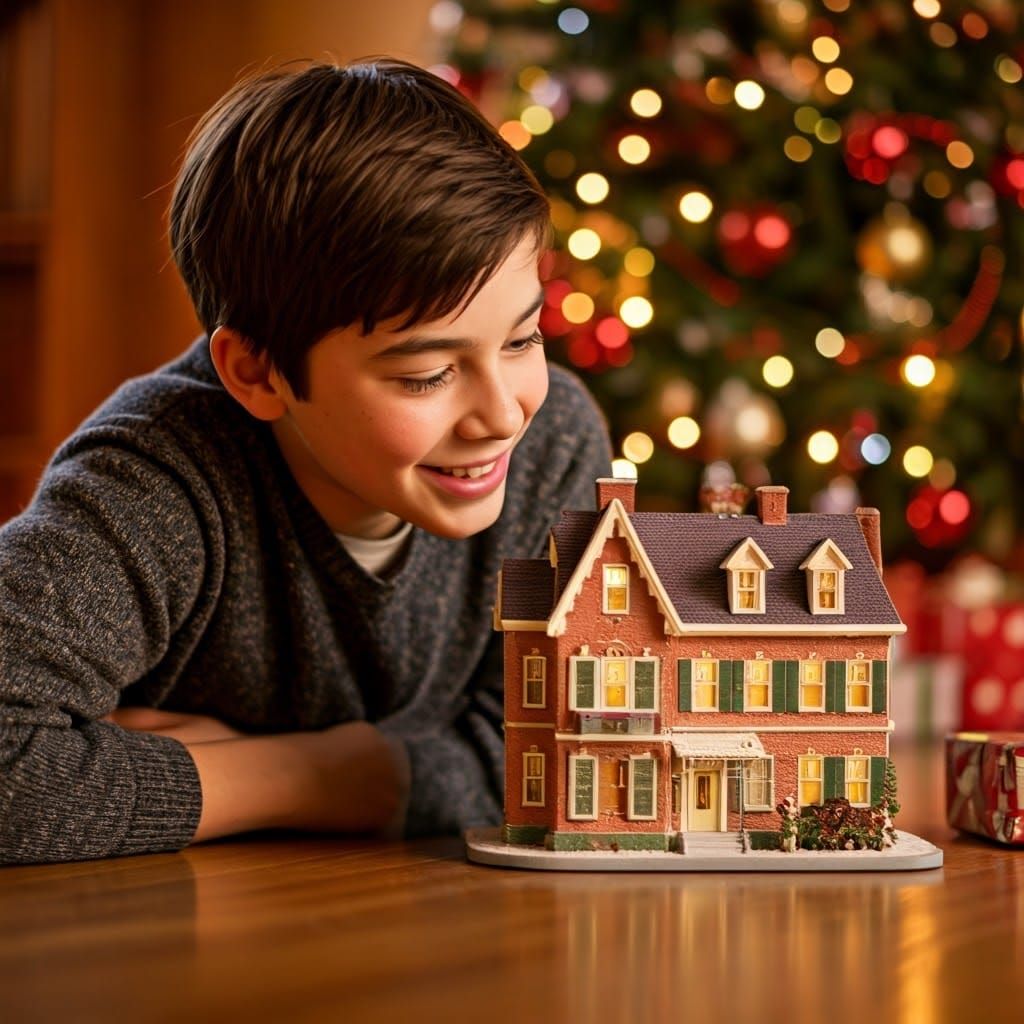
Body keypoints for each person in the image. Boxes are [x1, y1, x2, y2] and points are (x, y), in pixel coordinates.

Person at [0, 59, 611, 864]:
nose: (504, 415)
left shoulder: (556, 441)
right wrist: (328, 779)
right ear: (257, 372)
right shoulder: (156, 481)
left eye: (524, 339)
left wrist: (321, 776)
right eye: (426, 374)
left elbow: (578, 751)